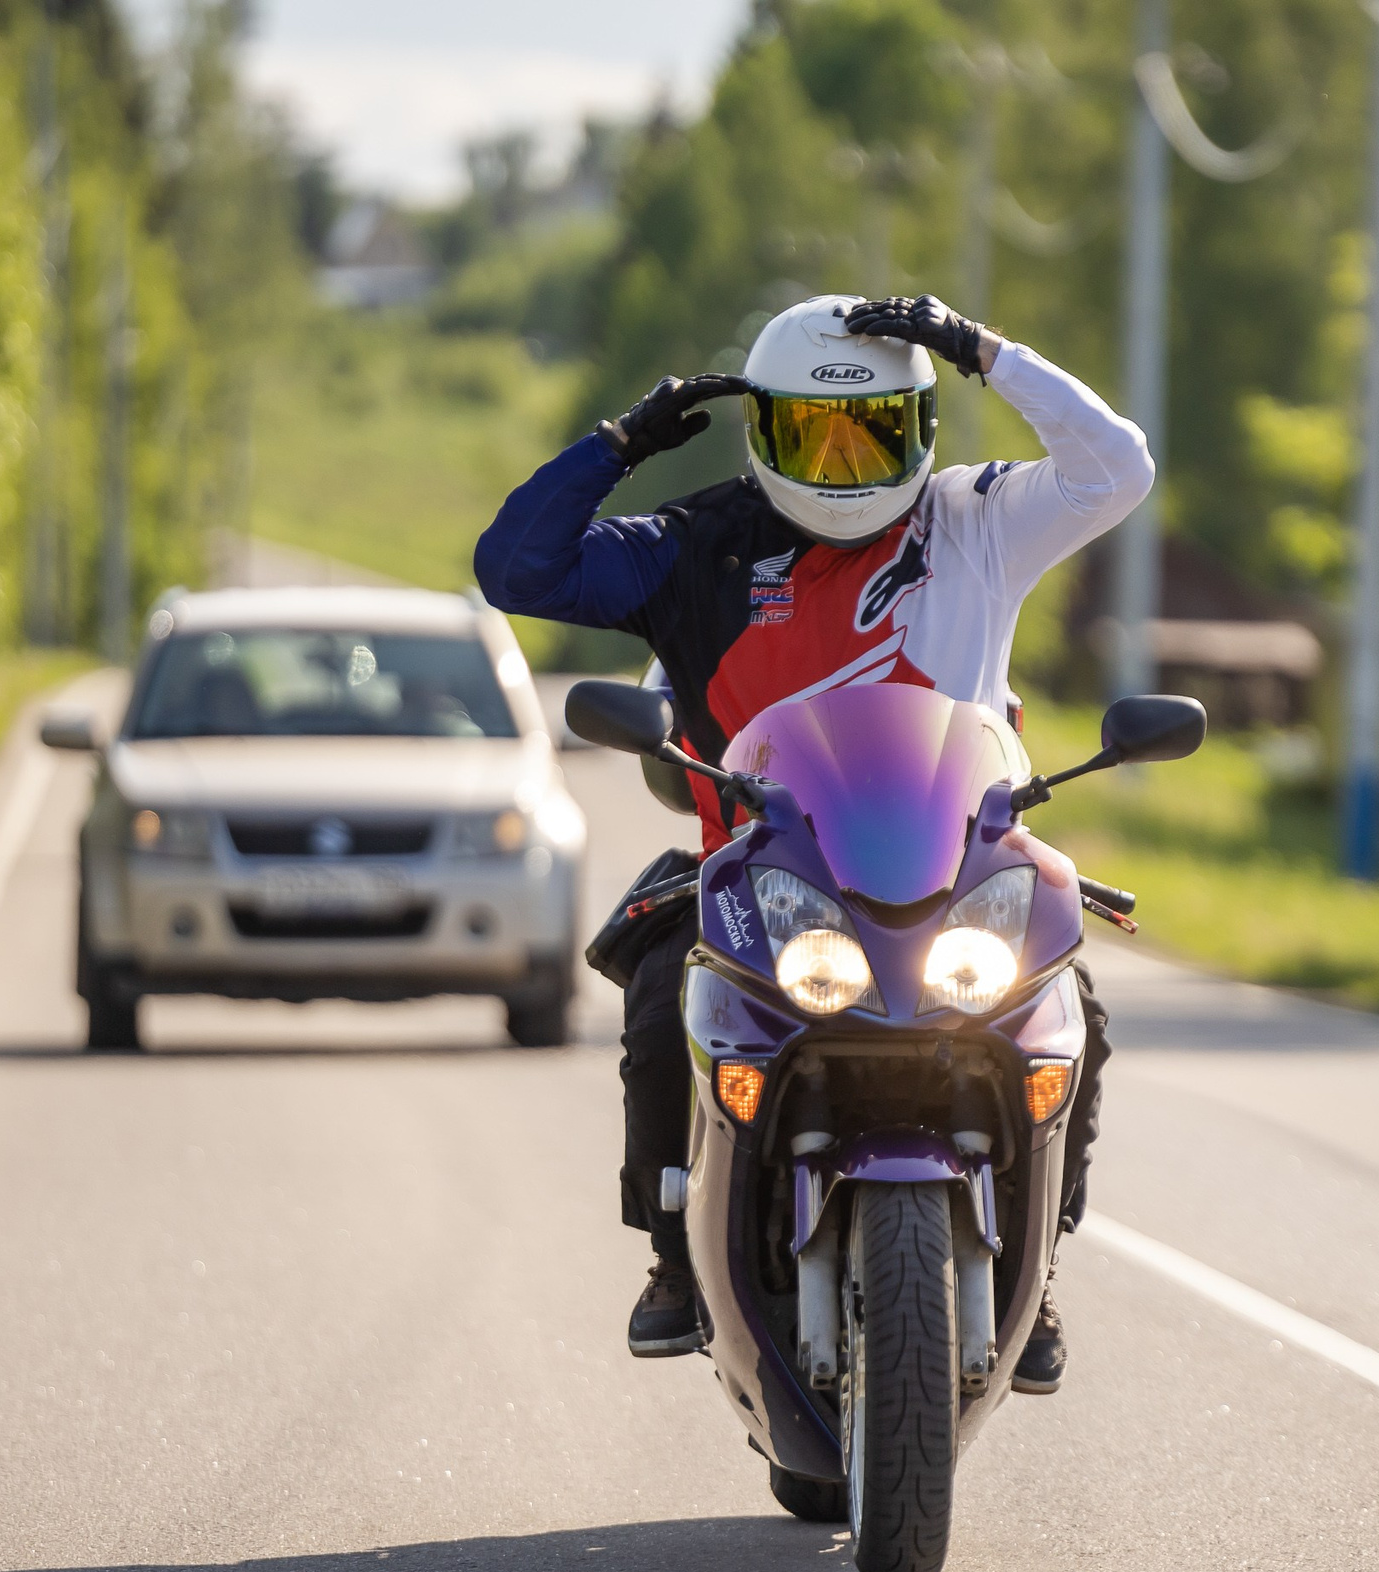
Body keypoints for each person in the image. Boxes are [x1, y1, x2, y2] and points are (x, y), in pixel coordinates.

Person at [473, 293, 1153, 1392]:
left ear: (922, 427)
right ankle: (672, 1262)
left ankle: (1042, 1260)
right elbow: (516, 568)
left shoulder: (977, 520)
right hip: (761, 877)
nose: (841, 465)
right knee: (659, 1001)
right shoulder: (694, 546)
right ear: (762, 433)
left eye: (871, 431)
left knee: (1070, 1016)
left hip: (956, 870)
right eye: (811, 434)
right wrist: (624, 442)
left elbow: (1117, 467)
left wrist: (984, 351)